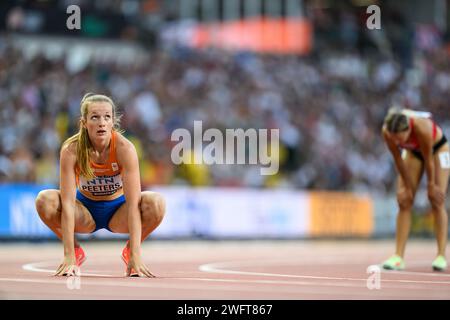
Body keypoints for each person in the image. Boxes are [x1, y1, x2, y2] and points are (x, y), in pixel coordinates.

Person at [35, 93, 165, 277]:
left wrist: (136, 255)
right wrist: (69, 255)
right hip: (85, 211)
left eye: (107, 117)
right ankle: (77, 251)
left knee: (157, 203)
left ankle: (129, 252)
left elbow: (134, 204)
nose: (101, 122)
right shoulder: (71, 150)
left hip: (118, 212)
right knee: (44, 200)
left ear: (113, 122)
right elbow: (68, 204)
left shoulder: (125, 149)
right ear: (84, 122)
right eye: (95, 117)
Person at [382, 108, 449, 271]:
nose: (397, 142)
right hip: (412, 152)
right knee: (404, 201)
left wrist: (431, 185)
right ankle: (398, 256)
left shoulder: (422, 128)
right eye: (394, 139)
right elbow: (398, 159)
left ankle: (441, 255)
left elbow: (429, 160)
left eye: (399, 138)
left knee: (436, 199)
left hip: (438, 150)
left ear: (409, 129)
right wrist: (407, 187)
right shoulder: (387, 131)